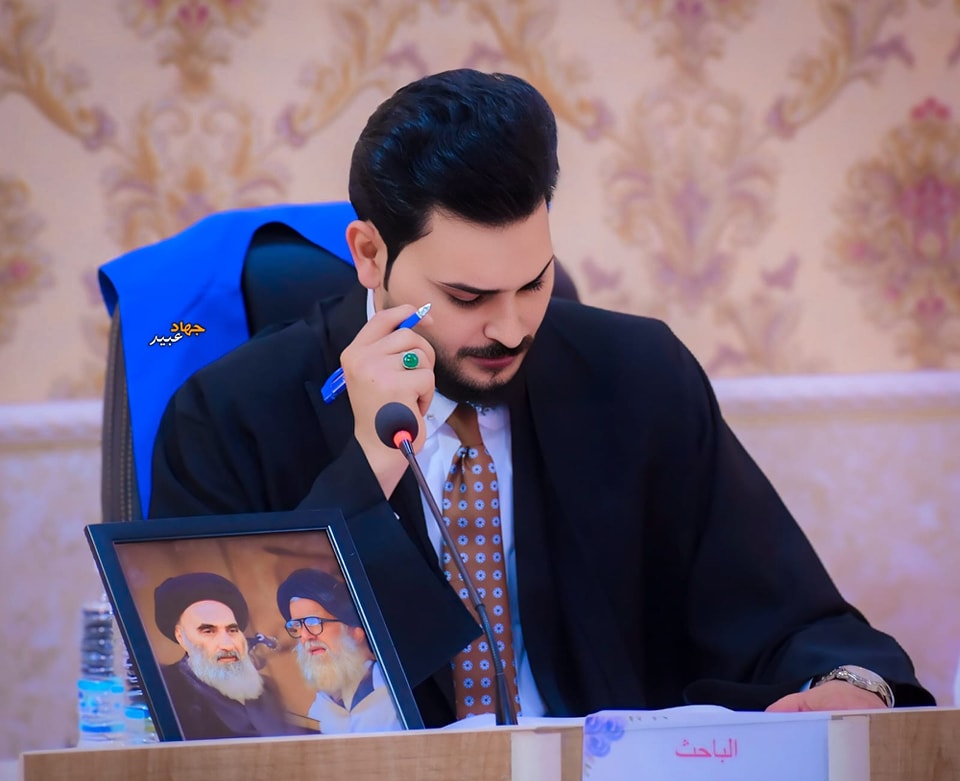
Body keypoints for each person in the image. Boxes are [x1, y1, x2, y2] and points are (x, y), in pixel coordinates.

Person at [150, 69, 934, 727]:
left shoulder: (637, 377)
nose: (511, 326)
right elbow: (226, 700)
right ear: (369, 253)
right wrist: (365, 470)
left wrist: (852, 684)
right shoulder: (227, 416)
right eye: (467, 296)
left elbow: (784, 615)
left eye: (533, 282)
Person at [154, 571, 300, 739]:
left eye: (232, 630)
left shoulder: (266, 689)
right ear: (181, 637)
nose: (227, 644)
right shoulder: (166, 688)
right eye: (208, 631)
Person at [276, 567, 402, 733]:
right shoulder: (319, 710)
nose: (305, 636)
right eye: (297, 626)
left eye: (314, 622)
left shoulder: (396, 689)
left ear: (356, 631)